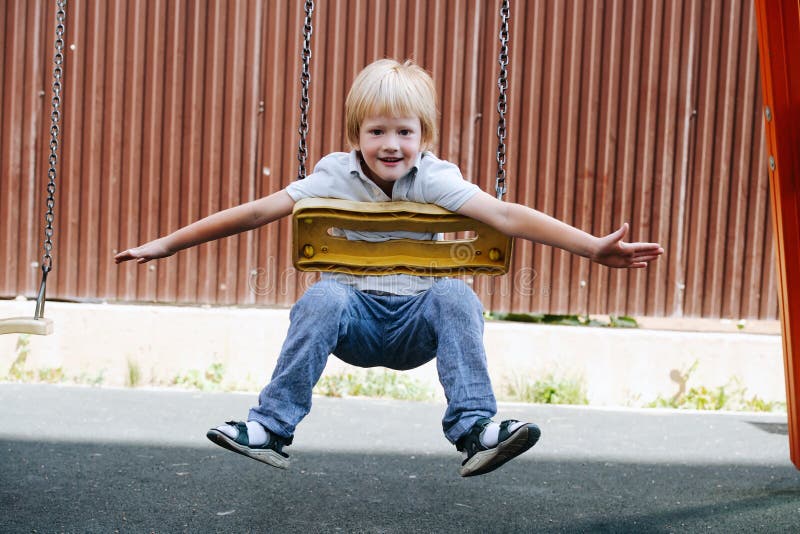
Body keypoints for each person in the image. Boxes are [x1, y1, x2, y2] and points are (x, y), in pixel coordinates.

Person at [115, 59, 663, 477]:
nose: (391, 144)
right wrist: (167, 245)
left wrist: (592, 247)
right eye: (377, 131)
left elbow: (503, 214)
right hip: (354, 320)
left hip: (416, 323)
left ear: (423, 136)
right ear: (357, 135)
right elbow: (259, 210)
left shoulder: (434, 177)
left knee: (456, 295)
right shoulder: (333, 175)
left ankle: (477, 430)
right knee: (322, 297)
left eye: (404, 131)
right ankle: (270, 429)